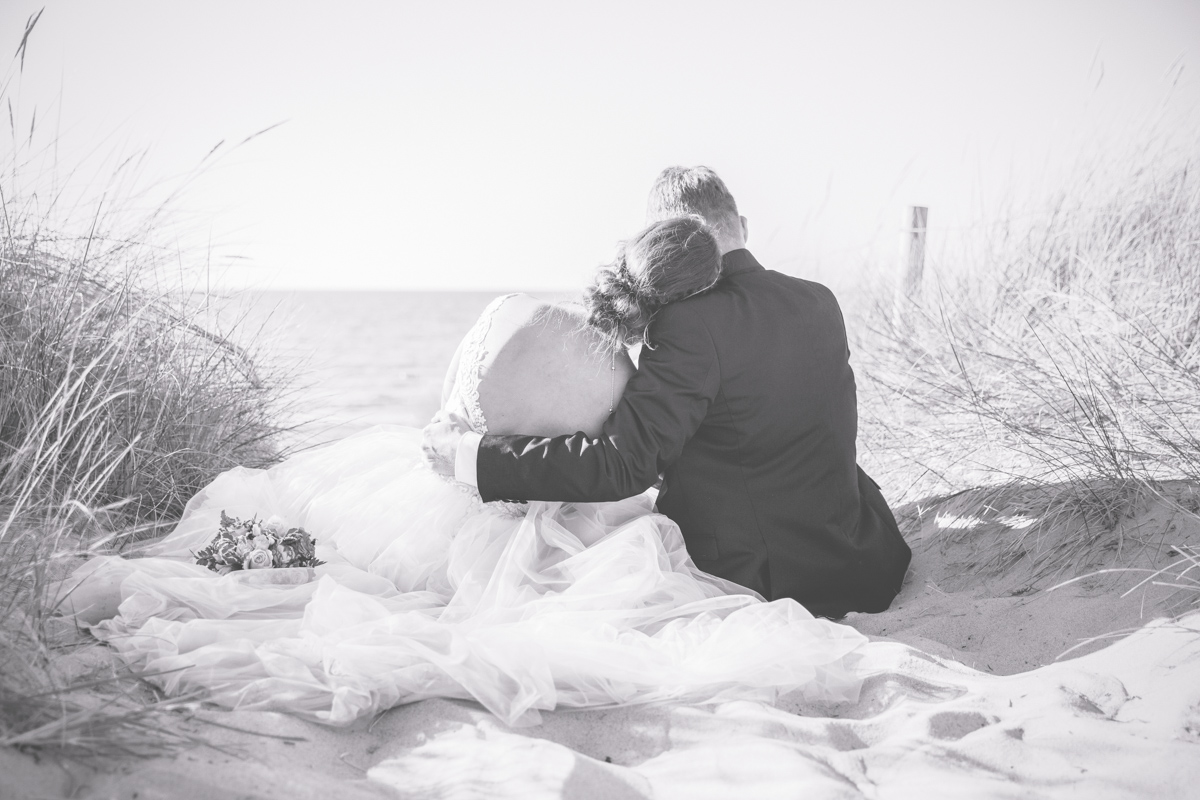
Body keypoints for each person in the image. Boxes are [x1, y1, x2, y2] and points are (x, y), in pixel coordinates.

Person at [60, 216, 866, 727]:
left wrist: (470, 457)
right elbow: (641, 460)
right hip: (829, 538)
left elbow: (612, 454)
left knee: (362, 557)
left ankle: (246, 553)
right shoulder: (788, 310)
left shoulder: (578, 320)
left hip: (476, 493)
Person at [424, 166, 911, 619]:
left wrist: (473, 456)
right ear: (741, 224)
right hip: (863, 559)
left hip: (764, 581)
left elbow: (624, 466)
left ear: (664, 242)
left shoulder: (689, 323)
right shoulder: (819, 300)